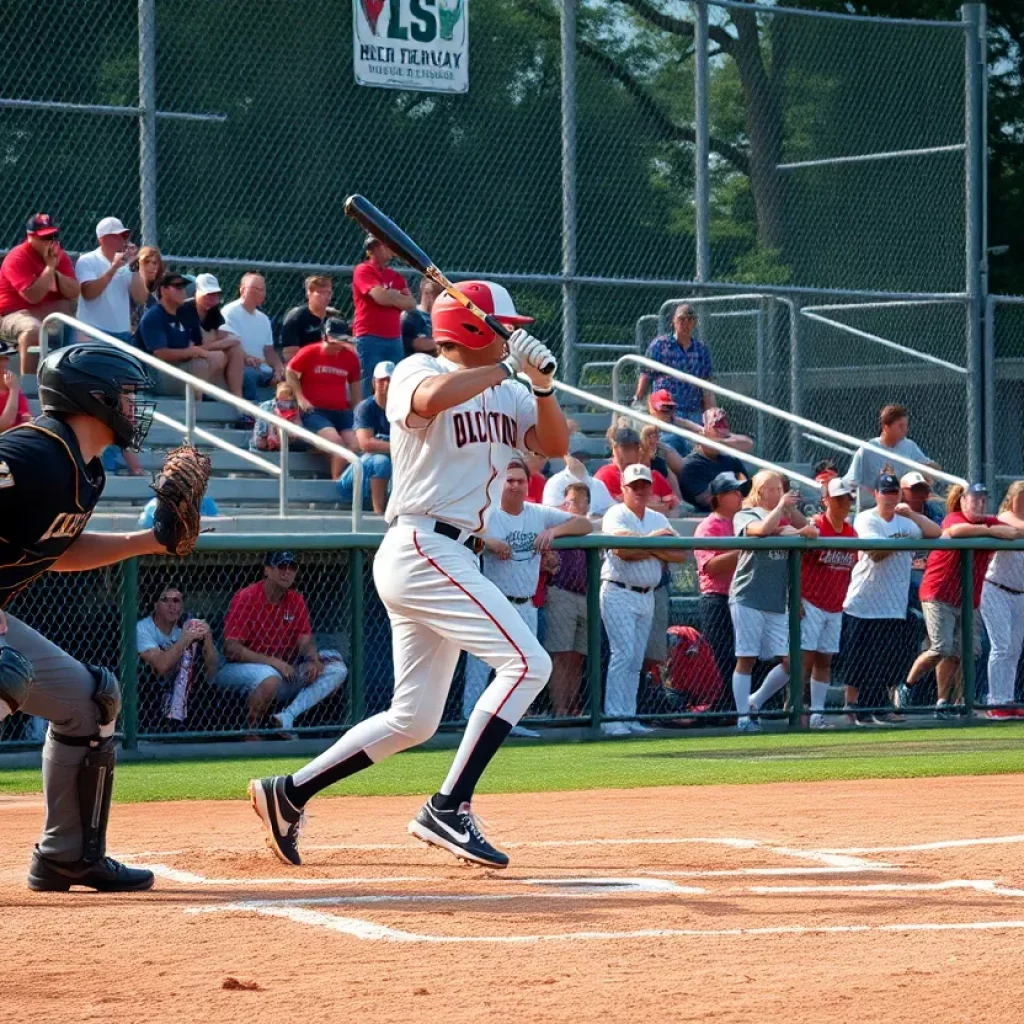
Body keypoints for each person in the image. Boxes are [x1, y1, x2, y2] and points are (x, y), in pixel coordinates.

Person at [249, 279, 569, 870]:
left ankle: (288, 793)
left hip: (455, 553)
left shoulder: (513, 391)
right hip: (423, 543)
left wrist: (542, 386)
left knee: (414, 718)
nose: (510, 335)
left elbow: (552, 444)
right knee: (529, 663)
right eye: (501, 325)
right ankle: (449, 806)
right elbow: (427, 402)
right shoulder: (416, 367)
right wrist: (505, 370)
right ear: (473, 328)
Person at [0, 342, 175, 892]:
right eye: (124, 397)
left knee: (90, 700)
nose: (132, 409)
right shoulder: (32, 453)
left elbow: (61, 551)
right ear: (91, 398)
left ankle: (67, 857)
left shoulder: (86, 470)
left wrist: (150, 541)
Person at [462, 457, 591, 729]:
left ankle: (508, 722)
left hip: (526, 603)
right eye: (510, 480)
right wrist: (488, 542)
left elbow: (585, 525)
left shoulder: (537, 513)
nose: (516, 485)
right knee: (480, 666)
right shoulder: (488, 514)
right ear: (500, 484)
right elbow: (460, 539)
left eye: (521, 480)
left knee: (524, 668)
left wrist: (555, 531)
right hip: (493, 602)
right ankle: (469, 720)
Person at [902, 483, 1021, 720]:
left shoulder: (988, 521)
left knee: (963, 652)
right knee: (941, 648)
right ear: (963, 501)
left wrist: (995, 529)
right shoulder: (954, 518)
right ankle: (908, 686)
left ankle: (947, 702)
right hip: (938, 593)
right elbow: (956, 531)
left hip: (968, 598)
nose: (979, 503)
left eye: (983, 499)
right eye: (974, 499)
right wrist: (991, 531)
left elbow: (1013, 533)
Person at [843, 473, 942, 725]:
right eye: (884, 492)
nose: (889, 497)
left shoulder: (905, 522)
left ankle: (879, 708)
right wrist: (905, 540)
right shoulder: (867, 517)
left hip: (893, 604)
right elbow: (875, 552)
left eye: (893, 492)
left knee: (885, 660)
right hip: (864, 601)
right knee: (858, 661)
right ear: (875, 494)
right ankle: (852, 707)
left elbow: (936, 532)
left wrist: (911, 515)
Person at [215, 552, 349, 734]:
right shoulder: (246, 597)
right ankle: (250, 732)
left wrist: (312, 659)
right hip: (241, 669)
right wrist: (275, 663)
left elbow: (305, 639)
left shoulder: (296, 599)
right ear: (267, 570)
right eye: (281, 567)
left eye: (291, 567)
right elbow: (232, 650)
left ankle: (286, 717)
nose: (287, 572)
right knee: (269, 676)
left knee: (337, 668)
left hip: (287, 670)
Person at [600, 464, 687, 735]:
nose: (640, 490)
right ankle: (613, 719)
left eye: (644, 485)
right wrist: (655, 544)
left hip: (647, 594)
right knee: (623, 655)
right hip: (618, 590)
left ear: (651, 488)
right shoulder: (616, 512)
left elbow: (680, 554)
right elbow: (622, 549)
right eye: (634, 486)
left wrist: (643, 545)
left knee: (636, 659)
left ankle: (629, 716)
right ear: (623, 489)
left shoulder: (658, 518)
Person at [730, 471, 817, 733]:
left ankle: (754, 701)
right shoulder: (745, 514)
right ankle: (743, 717)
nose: (777, 494)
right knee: (746, 658)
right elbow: (762, 530)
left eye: (780, 489)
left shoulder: (784, 514)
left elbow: (811, 532)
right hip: (749, 595)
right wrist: (782, 517)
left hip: (777, 599)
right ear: (758, 492)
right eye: (770, 489)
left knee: (792, 662)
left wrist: (791, 518)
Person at [800, 478, 858, 730]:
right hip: (810, 601)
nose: (845, 503)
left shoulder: (850, 532)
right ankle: (796, 710)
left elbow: (852, 566)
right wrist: (796, 598)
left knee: (824, 660)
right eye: (839, 498)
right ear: (825, 501)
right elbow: (796, 563)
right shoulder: (815, 526)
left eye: (847, 498)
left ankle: (817, 713)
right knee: (805, 660)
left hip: (835, 605)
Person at [693, 472, 749, 702]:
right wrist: (746, 550)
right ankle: (722, 709)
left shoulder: (745, 522)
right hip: (717, 599)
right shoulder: (708, 526)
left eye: (739, 491)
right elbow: (711, 567)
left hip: (744, 597)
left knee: (744, 655)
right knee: (721, 657)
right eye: (733, 492)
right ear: (719, 497)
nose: (739, 495)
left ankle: (742, 707)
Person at [0, 214, 79, 373]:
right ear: (30, 237)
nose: (50, 241)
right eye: (45, 237)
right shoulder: (17, 257)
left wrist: (55, 271)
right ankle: (30, 387)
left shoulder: (58, 255)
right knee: (33, 329)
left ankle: (67, 375)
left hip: (43, 312)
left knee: (70, 313)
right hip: (12, 314)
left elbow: (74, 292)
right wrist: (49, 268)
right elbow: (33, 297)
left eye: (53, 236)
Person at [286, 316, 362, 479]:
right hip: (315, 411)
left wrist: (357, 412)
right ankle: (337, 480)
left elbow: (355, 387)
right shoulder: (309, 352)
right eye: (334, 341)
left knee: (356, 444)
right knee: (336, 444)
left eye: (341, 341)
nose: (337, 346)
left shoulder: (351, 357)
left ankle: (336, 470)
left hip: (342, 411)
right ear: (325, 336)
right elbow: (290, 372)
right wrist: (300, 398)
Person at [136, 272, 228, 397]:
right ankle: (196, 406)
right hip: (156, 375)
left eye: (184, 287)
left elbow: (194, 344)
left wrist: (196, 351)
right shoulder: (154, 316)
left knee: (219, 357)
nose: (183, 291)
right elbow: (162, 354)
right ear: (164, 290)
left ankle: (227, 404)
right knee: (201, 364)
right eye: (178, 286)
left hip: (179, 367)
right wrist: (194, 352)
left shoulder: (184, 314)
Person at [544, 483, 592, 717]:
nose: (577, 505)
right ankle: (560, 710)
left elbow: (586, 524)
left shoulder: (588, 527)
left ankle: (573, 708)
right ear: (564, 502)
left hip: (585, 595)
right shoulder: (555, 524)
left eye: (583, 501)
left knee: (577, 657)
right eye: (573, 500)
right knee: (561, 655)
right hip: (561, 591)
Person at [137, 585, 218, 725]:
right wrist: (184, 640)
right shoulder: (143, 628)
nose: (171, 606)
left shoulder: (186, 626)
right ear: (155, 604)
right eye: (165, 600)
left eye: (176, 601)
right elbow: (161, 666)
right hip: (151, 691)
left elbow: (212, 673)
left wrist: (208, 638)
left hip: (188, 691)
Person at [980, 481, 1024, 718]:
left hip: (1020, 594)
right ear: (1011, 498)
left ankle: (1007, 699)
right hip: (996, 589)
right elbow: (1014, 529)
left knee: (1015, 649)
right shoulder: (1004, 518)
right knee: (1002, 646)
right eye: (1021, 496)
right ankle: (994, 702)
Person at [351, 236, 414, 393]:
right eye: (385, 246)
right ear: (373, 249)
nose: (390, 250)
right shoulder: (363, 270)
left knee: (394, 384)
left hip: (394, 337)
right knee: (368, 385)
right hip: (369, 337)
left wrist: (389, 296)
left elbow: (411, 303)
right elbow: (380, 298)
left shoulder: (395, 276)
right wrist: (395, 297)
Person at [633, 303, 713, 424]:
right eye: (681, 319)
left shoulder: (701, 349)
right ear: (673, 321)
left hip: (693, 411)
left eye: (690, 319)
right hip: (665, 411)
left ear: (695, 322)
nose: (686, 323)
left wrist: (711, 414)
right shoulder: (660, 345)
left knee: (695, 442)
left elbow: (706, 386)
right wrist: (637, 399)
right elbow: (646, 375)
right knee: (669, 441)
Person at [844, 405, 940, 504]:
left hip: (902, 505)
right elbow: (851, 482)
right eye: (900, 425)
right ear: (885, 426)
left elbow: (935, 469)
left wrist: (920, 471)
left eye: (905, 425)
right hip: (871, 506)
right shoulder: (867, 450)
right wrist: (880, 491)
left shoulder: (909, 446)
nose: (905, 429)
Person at [74, 217, 148, 343]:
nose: (123, 239)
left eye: (124, 235)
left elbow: (141, 298)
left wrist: (135, 267)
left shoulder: (128, 264)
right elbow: (89, 294)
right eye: (117, 235)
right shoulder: (88, 260)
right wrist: (113, 268)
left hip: (122, 334)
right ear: (102, 239)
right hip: (93, 332)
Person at [178, 274, 247, 400]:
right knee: (220, 353)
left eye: (215, 294)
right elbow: (194, 348)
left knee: (236, 347)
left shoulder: (213, 311)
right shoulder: (185, 310)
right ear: (196, 292)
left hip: (207, 357)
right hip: (190, 360)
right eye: (207, 294)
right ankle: (196, 400)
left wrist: (246, 355)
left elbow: (223, 335)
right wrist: (222, 344)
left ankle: (238, 400)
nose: (211, 298)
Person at [337, 360, 394, 514]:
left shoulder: (400, 409)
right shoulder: (366, 407)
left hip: (385, 466)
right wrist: (400, 446)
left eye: (390, 380)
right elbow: (366, 444)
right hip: (355, 478)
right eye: (382, 380)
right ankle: (379, 512)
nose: (386, 384)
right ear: (374, 382)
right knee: (381, 461)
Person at [594, 425, 677, 515]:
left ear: (638, 450)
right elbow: (620, 507)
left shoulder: (654, 475)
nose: (629, 453)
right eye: (624, 448)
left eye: (633, 448)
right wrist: (657, 507)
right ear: (614, 450)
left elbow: (673, 507)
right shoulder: (604, 476)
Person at [678, 408, 749, 512]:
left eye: (722, 431)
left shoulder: (731, 460)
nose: (720, 433)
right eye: (715, 429)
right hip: (708, 517)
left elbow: (748, 490)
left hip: (737, 512)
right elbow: (709, 501)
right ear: (702, 434)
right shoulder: (691, 465)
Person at [222, 272, 286, 386]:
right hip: (243, 366)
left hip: (264, 369)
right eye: (256, 289)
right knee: (249, 375)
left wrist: (278, 367)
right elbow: (228, 345)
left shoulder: (264, 319)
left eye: (263, 290)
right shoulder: (229, 312)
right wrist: (247, 358)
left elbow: (269, 351)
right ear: (242, 290)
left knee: (290, 376)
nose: (260, 293)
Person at [541, 424, 614, 517]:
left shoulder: (598, 485)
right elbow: (554, 519)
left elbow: (612, 517)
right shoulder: (554, 483)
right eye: (575, 456)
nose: (579, 460)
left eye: (582, 456)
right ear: (566, 455)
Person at [280, 275, 335, 362]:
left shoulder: (335, 317)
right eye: (320, 292)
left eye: (328, 293)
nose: (325, 296)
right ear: (308, 294)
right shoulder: (297, 317)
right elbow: (289, 354)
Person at [250, 380, 304, 452]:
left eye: (291, 394)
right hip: (263, 444)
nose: (288, 398)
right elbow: (261, 434)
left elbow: (298, 428)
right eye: (285, 392)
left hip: (288, 443)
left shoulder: (295, 406)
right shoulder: (267, 406)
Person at [400, 277, 442, 359]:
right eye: (429, 293)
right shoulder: (411, 315)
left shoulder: (442, 316)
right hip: (418, 361)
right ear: (424, 293)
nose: (433, 297)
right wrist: (445, 346)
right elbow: (418, 344)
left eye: (439, 293)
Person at [0, 339, 32, 432]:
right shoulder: (12, 386)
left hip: (18, 437)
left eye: (5, 357)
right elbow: (3, 425)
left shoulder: (9, 382)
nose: (5, 361)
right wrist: (13, 390)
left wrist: (26, 417)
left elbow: (24, 413)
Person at [130, 246, 164, 332]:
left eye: (155, 263)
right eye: (147, 262)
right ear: (138, 263)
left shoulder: (159, 291)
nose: (151, 266)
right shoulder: (129, 287)